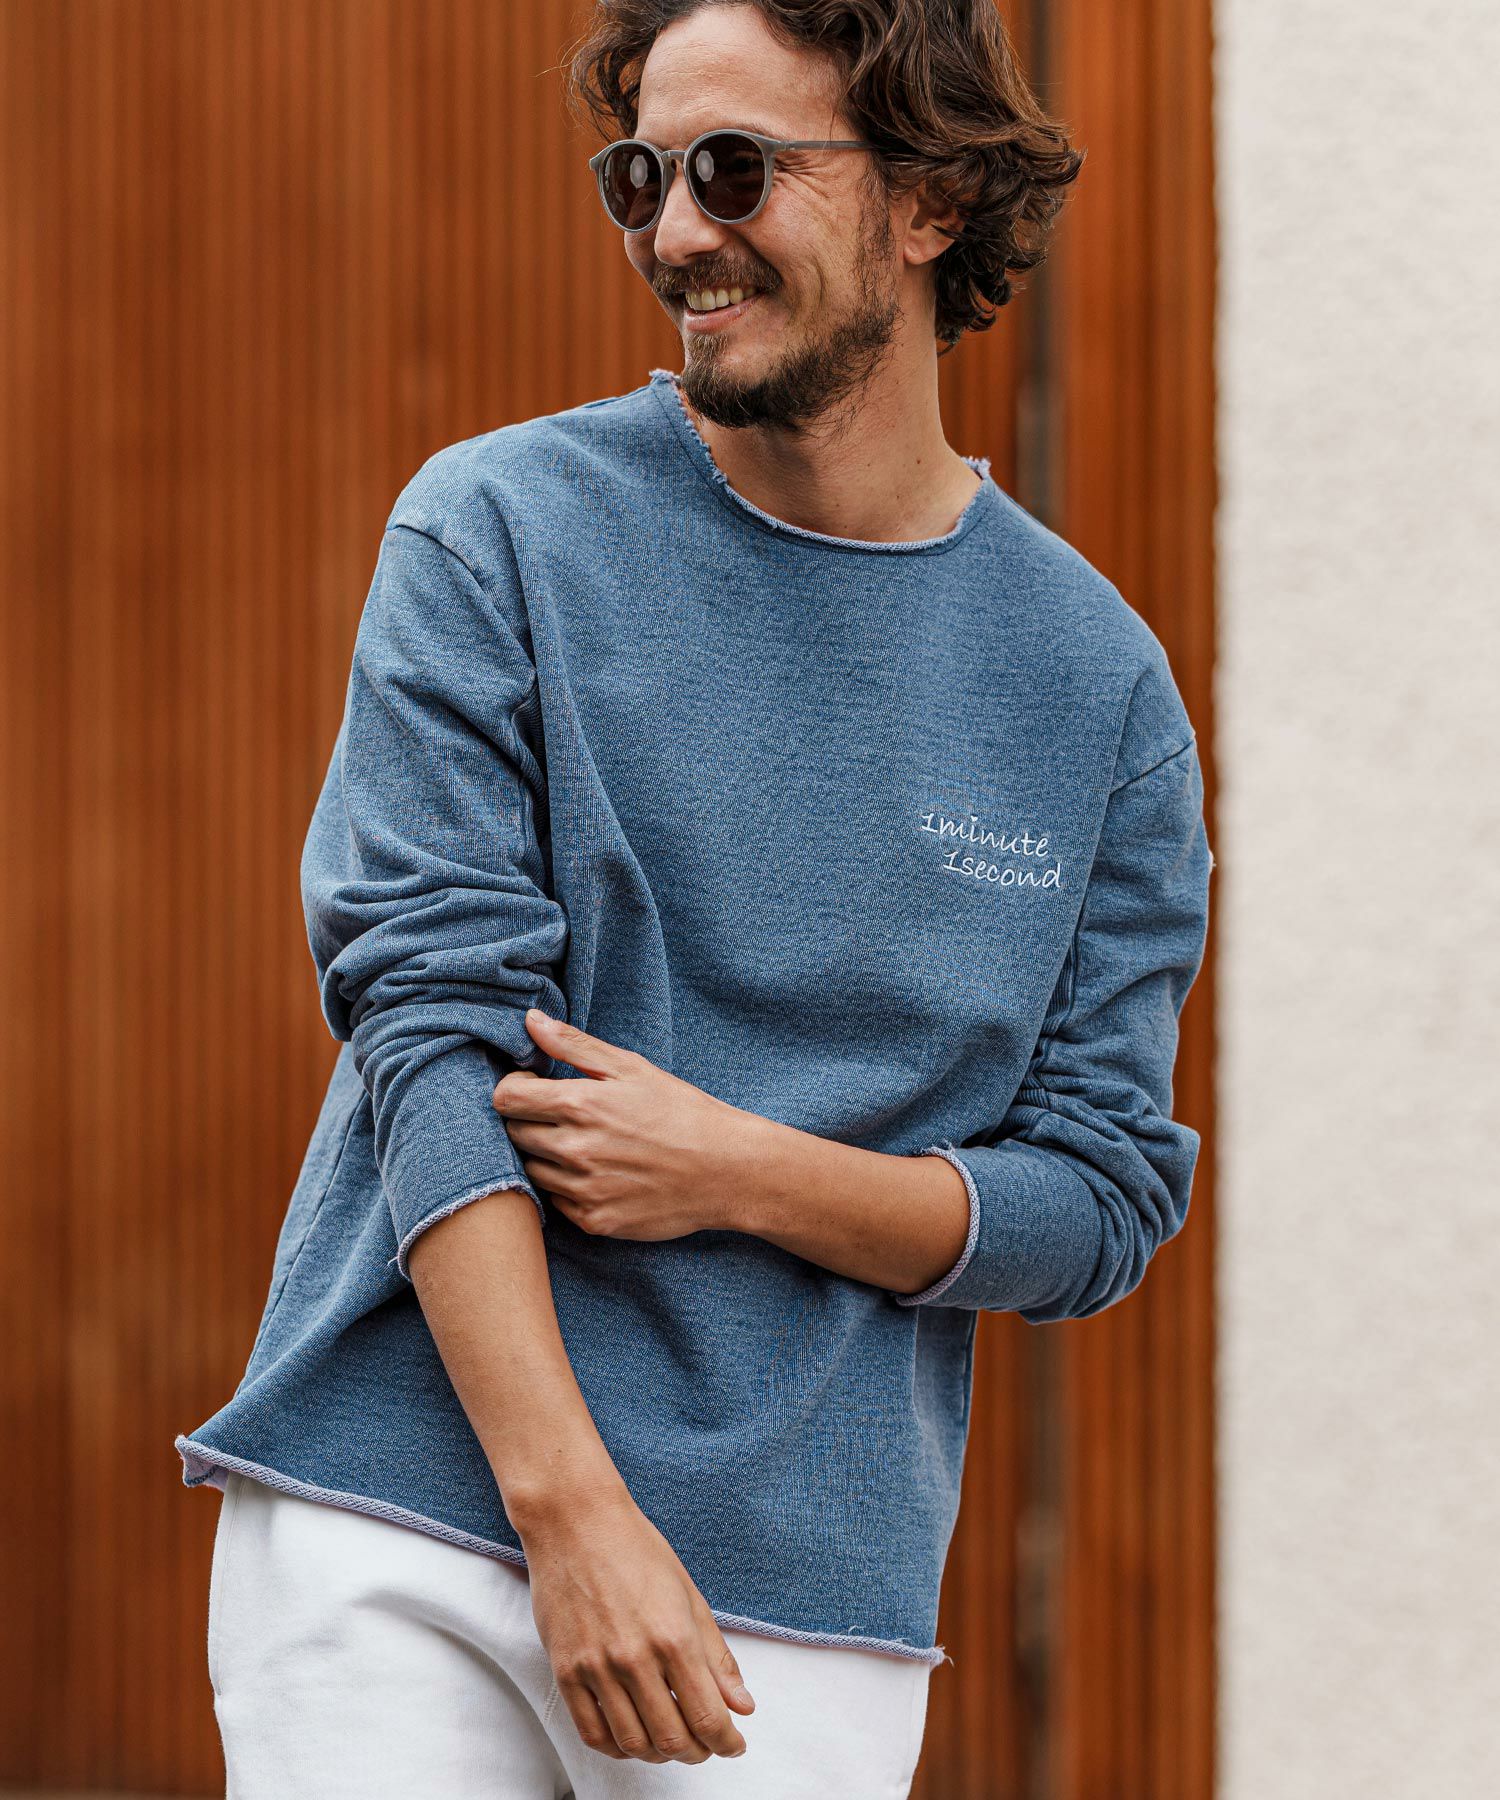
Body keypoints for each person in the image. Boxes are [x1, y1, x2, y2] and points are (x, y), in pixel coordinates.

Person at [178, 2, 1213, 1794]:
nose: (673, 233)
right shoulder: (496, 529)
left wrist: (738, 1169)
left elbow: (1101, 1195)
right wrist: (570, 1508)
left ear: (928, 200)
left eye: (735, 171)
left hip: (793, 1590)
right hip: (399, 1510)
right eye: (639, 177)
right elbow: (428, 1028)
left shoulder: (1095, 688)